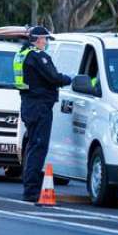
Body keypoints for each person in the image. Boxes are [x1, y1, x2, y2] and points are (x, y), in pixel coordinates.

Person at [14, 26, 72, 202]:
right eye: (45, 39)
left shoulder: (22, 54)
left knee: (33, 146)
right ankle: (31, 190)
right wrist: (70, 78)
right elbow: (53, 77)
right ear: (37, 39)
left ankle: (29, 186)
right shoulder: (38, 57)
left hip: (29, 104)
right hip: (40, 106)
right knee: (39, 147)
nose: (46, 43)